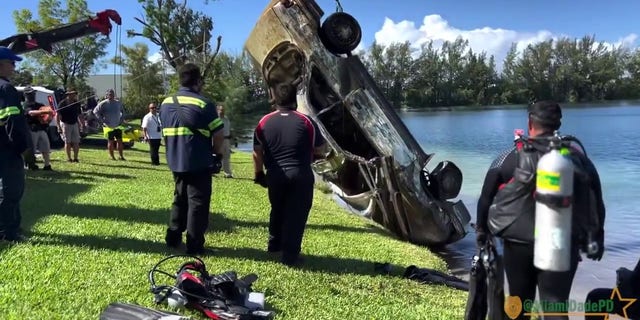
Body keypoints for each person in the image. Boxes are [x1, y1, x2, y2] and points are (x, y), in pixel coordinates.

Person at [475, 101, 606, 320]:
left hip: (518, 243)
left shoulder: (508, 157)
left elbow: (485, 197)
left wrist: (481, 231)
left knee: (517, 303)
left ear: (529, 123)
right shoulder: (576, 158)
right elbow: (597, 202)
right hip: (560, 240)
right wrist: (596, 237)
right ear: (558, 124)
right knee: (555, 306)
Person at [252, 81, 328, 267]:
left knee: (277, 208)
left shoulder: (263, 122)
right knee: (297, 214)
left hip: (275, 174)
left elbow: (257, 152)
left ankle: (274, 244)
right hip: (300, 174)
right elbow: (320, 150)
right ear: (294, 99)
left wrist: (258, 174)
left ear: (275, 98)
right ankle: (290, 255)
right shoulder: (307, 122)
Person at [159, 63, 225, 255]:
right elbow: (219, 134)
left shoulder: (165, 103)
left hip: (175, 160)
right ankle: (194, 245)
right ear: (198, 81)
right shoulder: (204, 104)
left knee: (179, 199)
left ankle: (173, 237)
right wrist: (217, 154)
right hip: (199, 162)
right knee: (198, 203)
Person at [0, 46, 30, 242]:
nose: (14, 67)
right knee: (12, 190)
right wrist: (23, 148)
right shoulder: (6, 88)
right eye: (11, 62)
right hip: (7, 149)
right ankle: (9, 233)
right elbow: (12, 120)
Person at [23, 86, 53, 170]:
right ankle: (30, 165)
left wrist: (49, 117)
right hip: (31, 129)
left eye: (33, 93)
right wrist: (45, 112)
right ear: (25, 95)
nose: (32, 95)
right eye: (30, 94)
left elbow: (47, 116)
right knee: (31, 149)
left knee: (46, 148)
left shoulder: (40, 105)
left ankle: (47, 165)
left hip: (42, 129)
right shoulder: (24, 105)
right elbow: (31, 113)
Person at [93, 89, 126, 160]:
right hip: (108, 126)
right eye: (110, 94)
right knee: (110, 141)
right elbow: (95, 111)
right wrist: (102, 120)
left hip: (118, 125)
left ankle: (121, 156)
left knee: (119, 141)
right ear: (107, 95)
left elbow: (123, 112)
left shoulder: (118, 103)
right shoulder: (103, 103)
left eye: (112, 94)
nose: (111, 95)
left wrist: (122, 120)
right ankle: (112, 156)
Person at [56, 89, 83, 162]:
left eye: (74, 94)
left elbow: (79, 114)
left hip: (74, 123)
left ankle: (76, 158)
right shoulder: (63, 103)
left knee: (76, 142)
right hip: (65, 123)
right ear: (68, 95)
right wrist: (58, 126)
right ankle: (69, 158)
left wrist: (82, 124)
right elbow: (58, 114)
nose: (74, 95)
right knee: (67, 142)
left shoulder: (77, 103)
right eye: (72, 94)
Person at [217, 104, 233, 178]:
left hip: (226, 140)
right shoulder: (216, 119)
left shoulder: (226, 119)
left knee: (226, 156)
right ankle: (212, 171)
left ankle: (227, 173)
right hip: (218, 140)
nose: (222, 112)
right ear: (217, 110)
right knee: (217, 156)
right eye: (221, 110)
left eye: (223, 110)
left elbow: (229, 129)